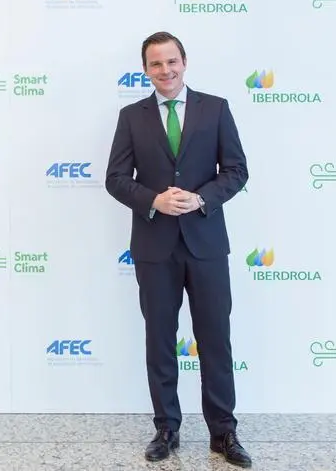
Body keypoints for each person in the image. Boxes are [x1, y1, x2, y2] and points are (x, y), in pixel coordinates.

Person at [105, 32, 251, 468]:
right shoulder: (131, 116)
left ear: (184, 62)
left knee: (215, 339)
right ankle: (166, 427)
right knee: (160, 340)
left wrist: (201, 197)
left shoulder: (216, 108)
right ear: (145, 70)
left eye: (171, 61)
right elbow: (115, 178)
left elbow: (236, 170)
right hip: (155, 248)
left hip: (206, 245)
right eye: (156, 64)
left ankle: (223, 432)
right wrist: (154, 200)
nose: (165, 70)